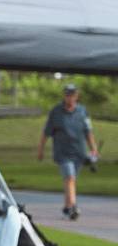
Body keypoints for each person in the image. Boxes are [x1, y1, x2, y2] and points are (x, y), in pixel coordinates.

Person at [38, 82, 99, 220]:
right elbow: (46, 133)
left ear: (76, 96)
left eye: (72, 95)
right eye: (67, 95)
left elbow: (88, 132)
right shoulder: (56, 112)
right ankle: (73, 207)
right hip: (63, 153)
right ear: (64, 96)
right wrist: (40, 150)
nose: (70, 97)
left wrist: (94, 149)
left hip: (79, 153)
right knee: (70, 177)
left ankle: (66, 208)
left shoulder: (82, 111)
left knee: (70, 180)